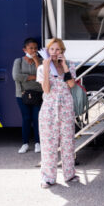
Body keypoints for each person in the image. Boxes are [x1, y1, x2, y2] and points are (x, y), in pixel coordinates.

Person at [37, 38, 77, 188]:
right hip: (49, 109)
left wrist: (65, 66)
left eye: (58, 49)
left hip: (66, 107)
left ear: (62, 51)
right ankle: (48, 177)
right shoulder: (42, 68)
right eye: (52, 50)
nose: (54, 53)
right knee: (49, 144)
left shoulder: (70, 65)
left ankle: (69, 174)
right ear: (47, 51)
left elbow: (71, 84)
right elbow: (46, 90)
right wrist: (46, 69)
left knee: (68, 142)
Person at [12, 38, 43, 154]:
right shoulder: (18, 61)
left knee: (37, 119)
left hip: (38, 94)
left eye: (35, 48)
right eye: (31, 48)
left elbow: (42, 74)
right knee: (26, 118)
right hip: (22, 94)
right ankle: (25, 143)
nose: (33, 50)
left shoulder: (41, 60)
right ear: (24, 49)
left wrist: (36, 60)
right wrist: (34, 77)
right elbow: (16, 76)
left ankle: (38, 143)